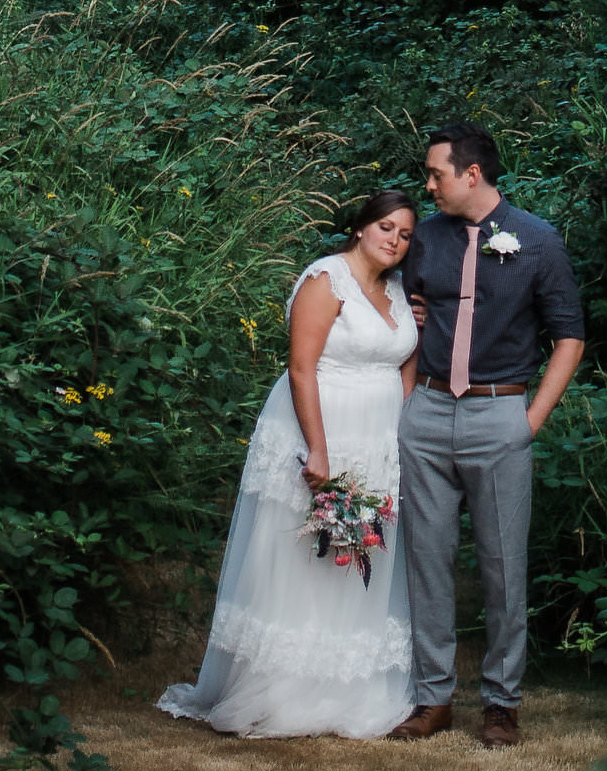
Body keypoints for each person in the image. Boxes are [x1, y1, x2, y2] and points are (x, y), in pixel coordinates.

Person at [158, 187, 420, 738]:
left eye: (405, 234)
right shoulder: (326, 280)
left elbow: (405, 364)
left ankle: (347, 685)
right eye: (386, 228)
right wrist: (318, 449)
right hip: (322, 425)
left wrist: (401, 427)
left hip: (378, 435)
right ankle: (284, 686)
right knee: (302, 555)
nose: (395, 241)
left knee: (360, 553)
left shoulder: (398, 290)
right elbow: (302, 368)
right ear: (360, 227)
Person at [390, 123, 584, 750]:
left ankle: (501, 703)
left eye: (436, 174)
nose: (428, 185)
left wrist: (530, 421)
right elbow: (405, 314)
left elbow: (569, 337)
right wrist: (407, 401)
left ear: (471, 174)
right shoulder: (427, 238)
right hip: (427, 413)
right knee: (427, 561)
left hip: (499, 415)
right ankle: (432, 698)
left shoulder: (537, 239)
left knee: (503, 567)